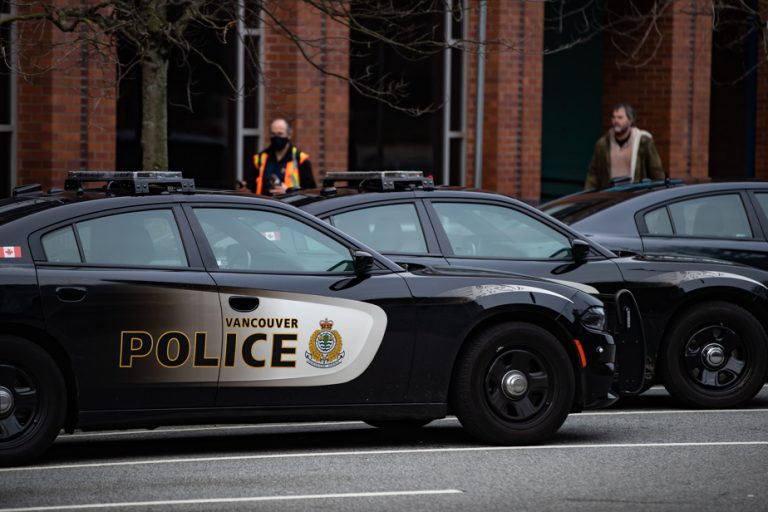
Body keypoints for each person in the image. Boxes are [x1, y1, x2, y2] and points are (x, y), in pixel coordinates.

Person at [584, 102, 665, 190]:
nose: (616, 121)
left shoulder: (643, 142)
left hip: (635, 195)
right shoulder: (603, 144)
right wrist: (588, 194)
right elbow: (593, 173)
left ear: (630, 120)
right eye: (613, 117)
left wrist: (660, 191)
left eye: (620, 117)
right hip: (611, 194)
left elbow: (656, 171)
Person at [241, 118, 316, 195]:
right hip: (263, 205)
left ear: (289, 135)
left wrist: (288, 191)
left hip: (289, 206)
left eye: (280, 134)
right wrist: (246, 188)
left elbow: (310, 193)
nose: (276, 138)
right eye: (273, 134)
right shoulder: (259, 159)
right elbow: (251, 187)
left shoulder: (300, 160)